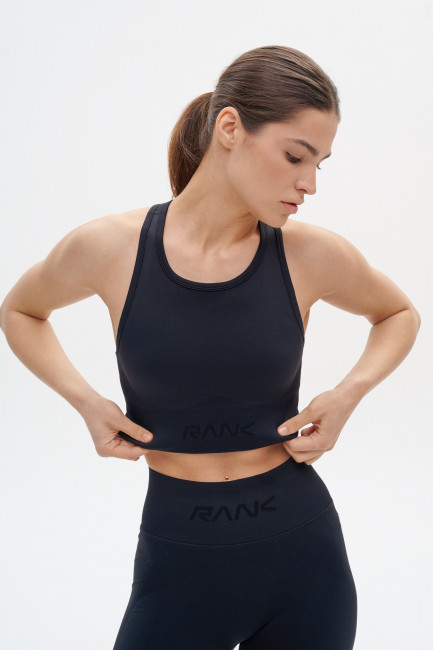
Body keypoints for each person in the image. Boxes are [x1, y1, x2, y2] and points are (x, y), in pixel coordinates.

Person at [0, 45, 421, 650]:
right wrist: (87, 402)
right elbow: (21, 311)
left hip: (306, 563)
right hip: (178, 565)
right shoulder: (110, 247)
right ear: (230, 127)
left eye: (320, 164)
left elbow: (398, 313)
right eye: (295, 156)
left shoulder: (309, 253)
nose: (309, 183)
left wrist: (347, 393)